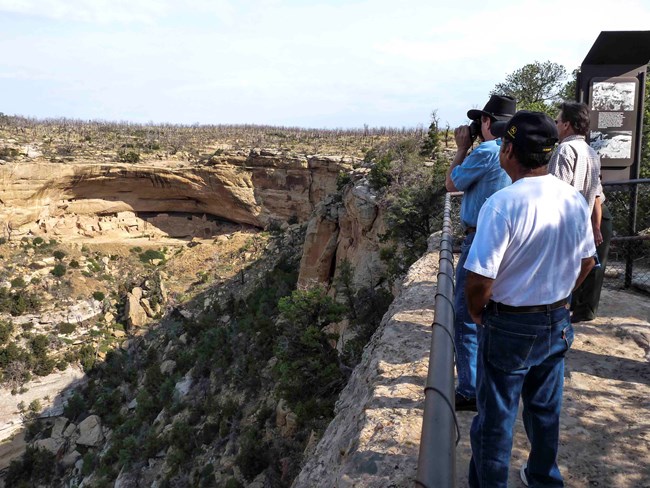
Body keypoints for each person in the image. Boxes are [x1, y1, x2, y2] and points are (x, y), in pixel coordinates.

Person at [463, 111, 596, 487]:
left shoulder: (503, 204)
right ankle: (542, 478)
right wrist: (562, 296)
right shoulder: (572, 199)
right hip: (556, 321)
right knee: (545, 411)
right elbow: (588, 261)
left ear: (508, 150)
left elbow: (479, 278)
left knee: (496, 418)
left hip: (509, 324)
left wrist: (478, 312)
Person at [444, 94, 516, 411]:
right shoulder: (512, 151)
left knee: (465, 312)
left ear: (487, 122)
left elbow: (451, 183)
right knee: (494, 310)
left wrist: (461, 148)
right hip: (507, 239)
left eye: (481, 120)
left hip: (479, 239)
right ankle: (491, 381)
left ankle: (470, 389)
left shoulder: (486, 151)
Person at [549, 102, 612, 322]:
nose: (556, 124)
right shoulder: (591, 152)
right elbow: (595, 193)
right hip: (580, 230)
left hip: (562, 231)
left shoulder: (565, 150)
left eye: (558, 121)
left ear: (567, 125)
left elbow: (555, 193)